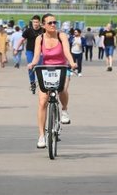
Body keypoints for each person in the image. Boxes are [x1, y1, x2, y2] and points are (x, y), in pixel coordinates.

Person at [27, 14, 79, 148]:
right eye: (50, 23)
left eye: (54, 22)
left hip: (62, 67)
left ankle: (64, 110)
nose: (53, 25)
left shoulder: (62, 36)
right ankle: (41, 136)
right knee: (42, 101)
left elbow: (67, 51)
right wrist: (32, 63)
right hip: (46, 69)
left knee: (62, 89)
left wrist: (72, 63)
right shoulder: (40, 38)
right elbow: (37, 54)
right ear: (43, 25)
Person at [18, 15, 44, 92]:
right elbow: (22, 40)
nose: (35, 23)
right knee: (31, 66)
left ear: (39, 22)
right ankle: (32, 82)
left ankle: (41, 83)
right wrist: (16, 48)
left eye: (37, 22)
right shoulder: (28, 30)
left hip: (40, 51)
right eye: (34, 22)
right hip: (30, 51)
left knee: (39, 67)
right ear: (32, 22)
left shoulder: (43, 30)